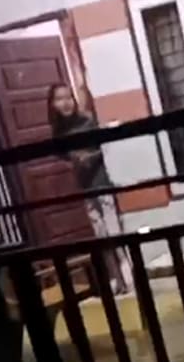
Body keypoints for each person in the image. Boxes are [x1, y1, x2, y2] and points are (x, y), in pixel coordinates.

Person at [45, 83, 134, 294]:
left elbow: (105, 148)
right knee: (100, 234)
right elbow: (61, 153)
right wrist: (74, 158)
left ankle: (129, 277)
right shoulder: (58, 130)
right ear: (52, 103)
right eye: (59, 99)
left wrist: (87, 156)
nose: (65, 103)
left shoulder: (86, 120)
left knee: (114, 231)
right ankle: (116, 280)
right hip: (85, 186)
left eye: (68, 97)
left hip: (101, 182)